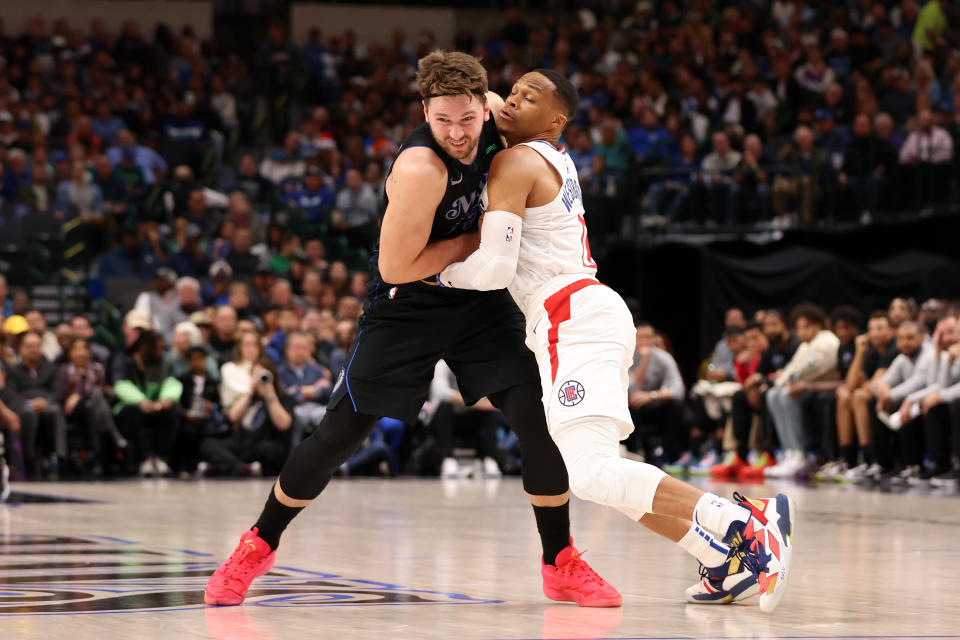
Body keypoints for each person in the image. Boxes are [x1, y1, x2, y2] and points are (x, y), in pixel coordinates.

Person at [204, 51, 617, 609]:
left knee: (535, 418)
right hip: (410, 301)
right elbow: (396, 267)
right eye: (442, 120)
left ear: (484, 105)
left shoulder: (497, 117)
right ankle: (256, 546)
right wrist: (486, 239)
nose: (457, 133)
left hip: (480, 301)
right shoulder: (421, 168)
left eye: (468, 119)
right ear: (426, 111)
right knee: (340, 435)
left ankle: (559, 559)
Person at [436, 69, 794, 612]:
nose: (511, 101)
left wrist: (434, 274)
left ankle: (746, 523)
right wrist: (489, 99)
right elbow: (485, 97)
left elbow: (493, 267)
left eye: (527, 97)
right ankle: (720, 556)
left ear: (557, 121)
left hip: (570, 316)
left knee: (594, 475)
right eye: (509, 94)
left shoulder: (517, 160)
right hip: (577, 314)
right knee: (600, 474)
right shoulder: (541, 154)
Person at [203, 331, 291, 476]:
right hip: (243, 443)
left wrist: (270, 395)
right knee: (207, 445)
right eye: (255, 375)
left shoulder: (282, 398)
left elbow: (284, 424)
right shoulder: (248, 395)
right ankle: (243, 468)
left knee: (267, 449)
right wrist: (250, 391)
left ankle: (230, 466)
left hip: (265, 443)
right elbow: (233, 416)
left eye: (263, 375)